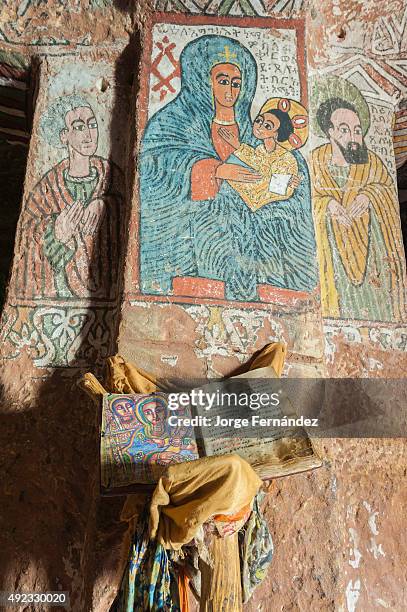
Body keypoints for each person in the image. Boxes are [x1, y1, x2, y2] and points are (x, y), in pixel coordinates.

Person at [140, 35, 317, 301]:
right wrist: (215, 171)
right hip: (201, 233)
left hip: (257, 229)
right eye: (222, 81)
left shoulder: (256, 131)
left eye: (236, 83)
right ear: (202, 80)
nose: (230, 91)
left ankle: (279, 284)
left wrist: (284, 183)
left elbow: (284, 166)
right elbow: (155, 165)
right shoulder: (172, 122)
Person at [11, 94, 123, 299]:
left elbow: (132, 217)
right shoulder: (46, 187)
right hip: (57, 307)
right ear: (64, 136)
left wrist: (106, 204)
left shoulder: (112, 175)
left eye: (92, 125)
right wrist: (56, 233)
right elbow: (28, 238)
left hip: (106, 296)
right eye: (79, 127)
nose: (89, 134)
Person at [311, 94, 406, 321]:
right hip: (332, 259)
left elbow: (386, 192)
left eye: (357, 130)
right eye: (344, 130)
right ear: (330, 132)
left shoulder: (372, 162)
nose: (353, 137)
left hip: (373, 261)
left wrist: (370, 194)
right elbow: (301, 200)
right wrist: (327, 204)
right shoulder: (314, 161)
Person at [218, 101, 302, 210]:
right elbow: (254, 159)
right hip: (247, 199)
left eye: (267, 126)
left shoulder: (286, 158)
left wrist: (288, 184)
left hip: (266, 207)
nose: (259, 126)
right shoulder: (261, 149)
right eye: (259, 121)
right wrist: (237, 145)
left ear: (276, 133)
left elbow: (277, 189)